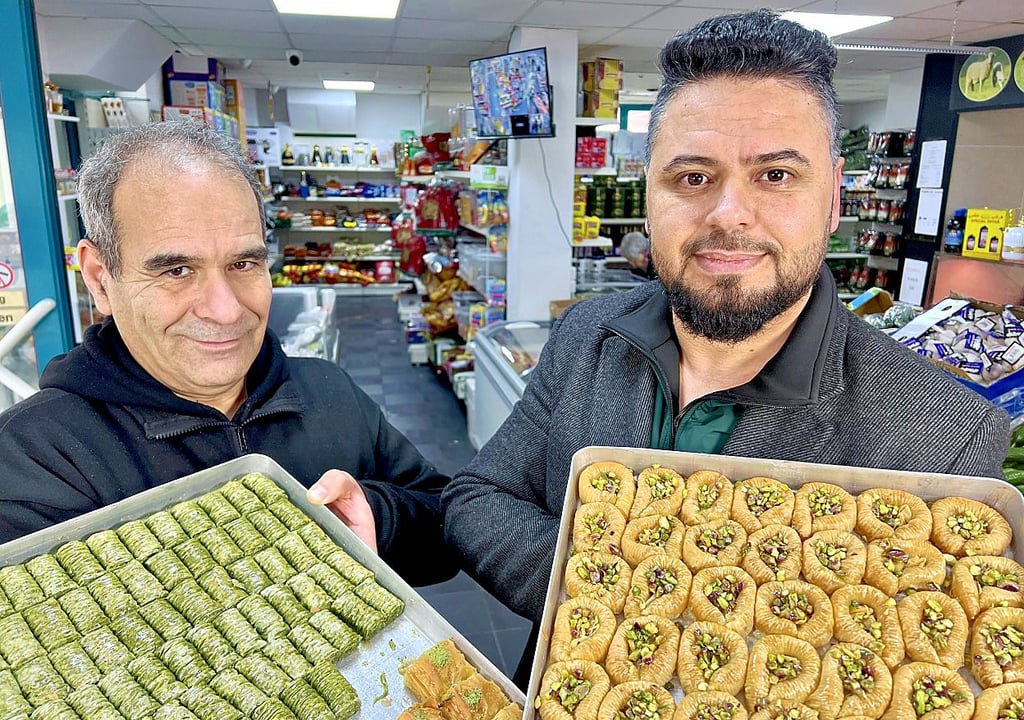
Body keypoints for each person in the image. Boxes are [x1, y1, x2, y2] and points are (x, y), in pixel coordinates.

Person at [442, 8, 1010, 683]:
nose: (728, 214)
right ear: (650, 194)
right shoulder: (587, 337)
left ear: (832, 199)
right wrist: (624, 602)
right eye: (691, 177)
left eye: (775, 176)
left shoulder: (943, 434)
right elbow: (477, 499)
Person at [0, 121, 455, 586]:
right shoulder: (31, 458)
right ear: (99, 278)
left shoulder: (327, 390)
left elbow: (445, 530)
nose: (225, 309)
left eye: (243, 263)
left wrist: (375, 516)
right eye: (177, 270)